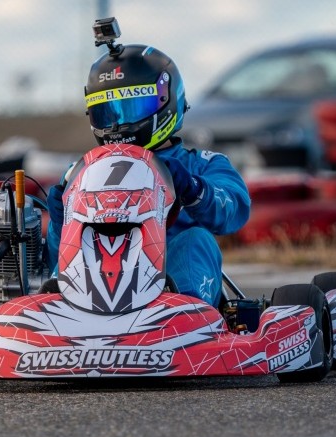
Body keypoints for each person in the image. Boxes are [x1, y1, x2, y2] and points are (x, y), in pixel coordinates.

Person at [45, 36, 251, 308]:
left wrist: (194, 189)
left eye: (132, 109)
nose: (119, 124)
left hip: (167, 294)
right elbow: (55, 257)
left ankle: (186, 314)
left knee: (195, 239)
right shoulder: (81, 173)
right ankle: (56, 315)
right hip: (92, 291)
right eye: (109, 113)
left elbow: (235, 210)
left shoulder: (200, 165)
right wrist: (60, 222)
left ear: (167, 101)